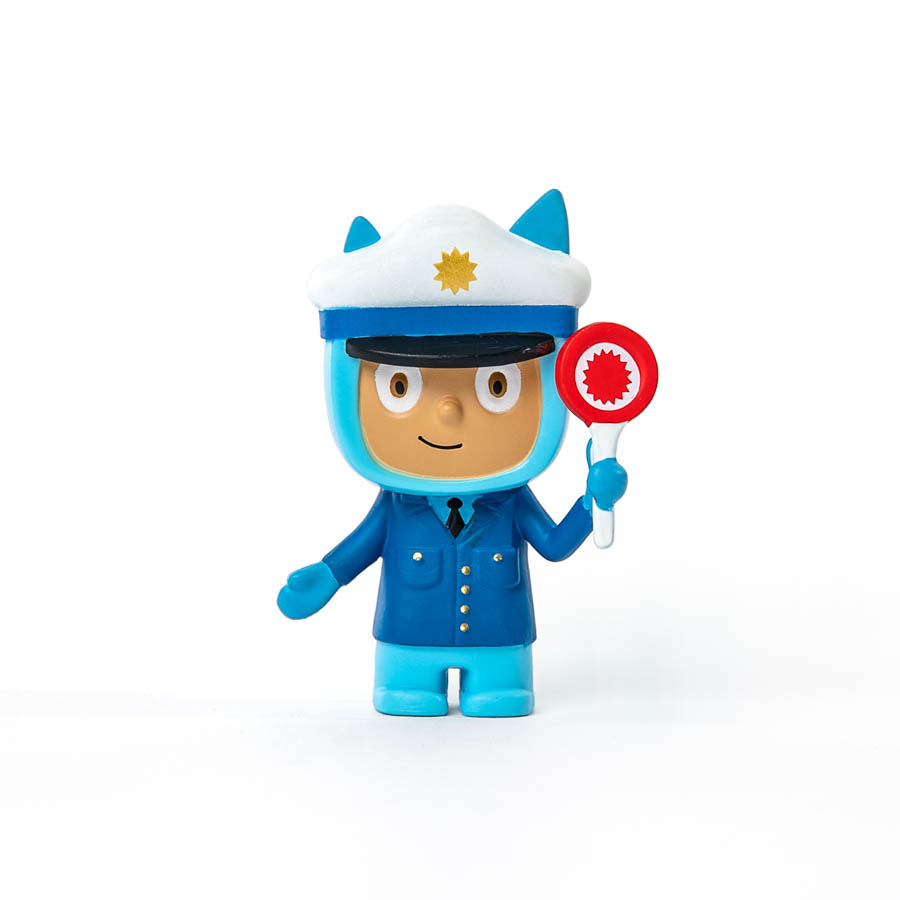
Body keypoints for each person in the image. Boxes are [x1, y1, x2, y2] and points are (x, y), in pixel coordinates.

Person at [277, 190, 626, 716]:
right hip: (406, 642)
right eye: (400, 386)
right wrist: (326, 576)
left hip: (501, 642)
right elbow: (360, 547)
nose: (447, 411)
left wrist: (595, 501)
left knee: (501, 697)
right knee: (407, 695)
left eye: (498, 385)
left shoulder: (511, 501)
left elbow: (554, 546)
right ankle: (410, 688)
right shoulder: (397, 505)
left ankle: (495, 689)